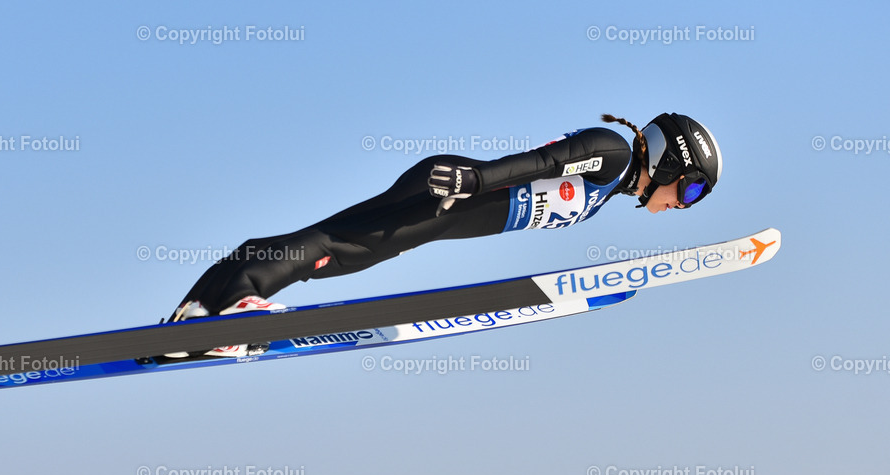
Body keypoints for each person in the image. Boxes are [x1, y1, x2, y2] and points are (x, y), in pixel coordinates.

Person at [166, 112, 722, 358]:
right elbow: (541, 161)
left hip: (456, 203)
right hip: (454, 191)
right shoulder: (615, 153)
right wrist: (475, 179)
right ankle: (233, 310)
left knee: (335, 247)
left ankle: (198, 311)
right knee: (335, 246)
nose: (681, 206)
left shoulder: (617, 178)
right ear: (673, 163)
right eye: (691, 192)